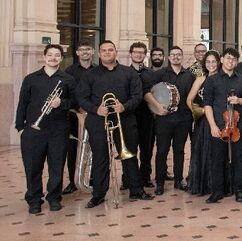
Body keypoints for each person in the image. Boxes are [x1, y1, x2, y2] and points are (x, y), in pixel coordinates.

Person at [76, 40, 154, 208]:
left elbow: (137, 96)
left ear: (116, 52)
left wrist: (123, 106)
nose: (107, 53)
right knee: (100, 158)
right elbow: (82, 97)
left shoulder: (128, 73)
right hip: (98, 121)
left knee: (130, 155)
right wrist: (96, 109)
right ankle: (98, 194)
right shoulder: (89, 75)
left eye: (110, 50)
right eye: (103, 50)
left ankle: (136, 190)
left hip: (125, 120)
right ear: (99, 54)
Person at [16, 44, 76, 213]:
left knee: (57, 166)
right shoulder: (31, 78)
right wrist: (20, 127)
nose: (53, 58)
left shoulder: (67, 79)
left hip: (59, 130)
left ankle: (54, 198)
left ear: (61, 58)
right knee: (33, 167)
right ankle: (34, 200)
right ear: (44, 57)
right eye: (50, 55)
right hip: (34, 130)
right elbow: (22, 104)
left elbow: (75, 102)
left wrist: (61, 103)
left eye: (57, 55)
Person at [202, 48, 242, 204]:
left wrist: (239, 101)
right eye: (229, 58)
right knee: (216, 158)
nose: (231, 61)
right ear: (221, 59)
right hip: (219, 125)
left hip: (238, 126)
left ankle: (239, 191)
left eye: (235, 59)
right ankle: (217, 191)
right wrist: (212, 126)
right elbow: (207, 104)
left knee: (239, 158)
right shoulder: (212, 80)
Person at [144, 46, 195, 195]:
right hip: (164, 119)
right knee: (162, 151)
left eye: (179, 55)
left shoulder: (189, 75)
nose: (176, 57)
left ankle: (178, 180)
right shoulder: (160, 74)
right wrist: (158, 106)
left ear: (182, 57)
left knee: (179, 150)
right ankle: (159, 183)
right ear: (168, 57)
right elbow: (147, 91)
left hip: (183, 119)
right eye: (173, 54)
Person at [186, 50, 225, 196]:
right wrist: (201, 111)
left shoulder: (223, 78)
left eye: (213, 61)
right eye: (208, 62)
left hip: (221, 120)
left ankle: (220, 185)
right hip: (204, 123)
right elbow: (189, 100)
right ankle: (206, 185)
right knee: (204, 152)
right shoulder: (200, 79)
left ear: (219, 62)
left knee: (219, 154)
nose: (211, 64)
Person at [62, 41, 96, 194]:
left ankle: (93, 180)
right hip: (76, 116)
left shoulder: (99, 70)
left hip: (95, 115)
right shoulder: (69, 71)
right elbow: (67, 93)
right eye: (81, 50)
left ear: (93, 51)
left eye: (87, 49)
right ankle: (73, 181)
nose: (85, 52)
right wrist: (79, 107)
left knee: (96, 148)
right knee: (73, 149)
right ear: (77, 53)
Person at [130, 42, 156, 187]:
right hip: (130, 116)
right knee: (130, 149)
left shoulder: (151, 74)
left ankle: (145, 177)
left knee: (147, 149)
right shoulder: (124, 72)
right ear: (131, 54)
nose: (138, 55)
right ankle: (128, 179)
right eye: (136, 52)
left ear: (145, 54)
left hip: (147, 116)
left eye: (141, 52)